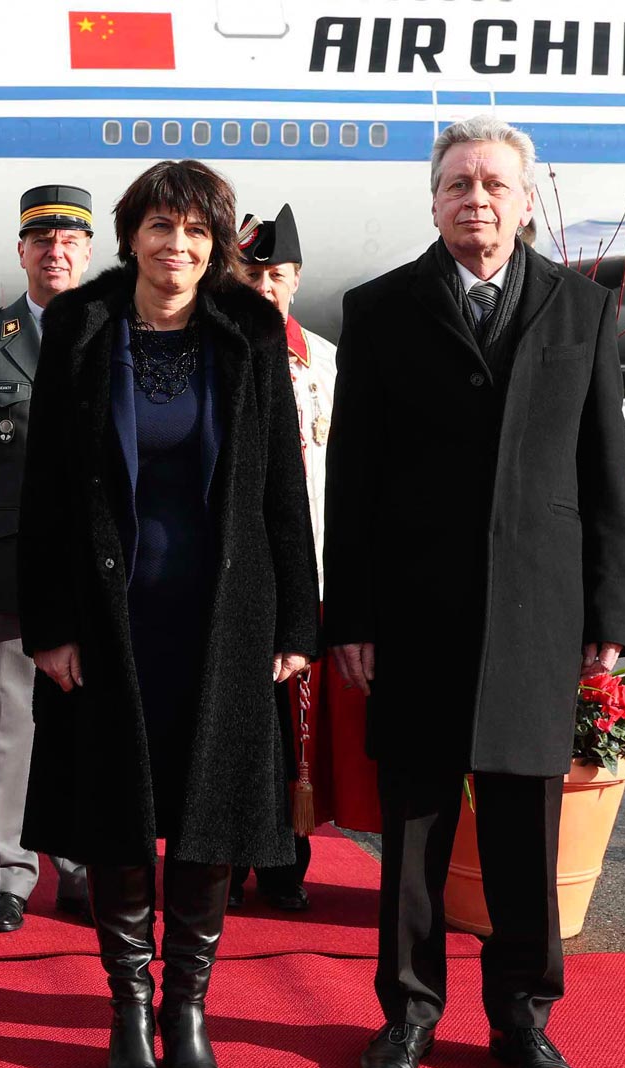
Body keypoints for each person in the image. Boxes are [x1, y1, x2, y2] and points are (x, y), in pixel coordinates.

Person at [323, 115, 625, 1068]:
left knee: (522, 830)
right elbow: (353, 478)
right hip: (414, 611)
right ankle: (409, 1014)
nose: (477, 199)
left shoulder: (582, 310)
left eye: (495, 184)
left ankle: (523, 1017)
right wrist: (353, 616)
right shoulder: (380, 309)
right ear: (434, 201)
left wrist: (608, 614)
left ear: (525, 200)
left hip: (539, 610)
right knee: (414, 832)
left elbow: (604, 474)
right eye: (458, 183)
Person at [19, 159, 319, 1068]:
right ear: (131, 236)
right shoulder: (80, 326)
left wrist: (296, 623)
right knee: (117, 814)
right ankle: (129, 1005)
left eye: (195, 231)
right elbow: (44, 491)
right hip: (110, 619)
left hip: (225, 616)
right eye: (160, 227)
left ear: (217, 242)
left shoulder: (251, 330)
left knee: (207, 815)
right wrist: (49, 624)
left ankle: (188, 1006)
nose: (176, 246)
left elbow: (281, 485)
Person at [0, 184, 96, 933]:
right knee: (11, 726)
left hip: (99, 574)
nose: (55, 253)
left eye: (69, 241)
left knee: (90, 726)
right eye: (43, 241)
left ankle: (81, 868)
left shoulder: (121, 333)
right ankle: (9, 873)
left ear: (89, 252)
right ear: (21, 251)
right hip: (9, 568)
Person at [228, 206, 382, 913]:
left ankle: (287, 863)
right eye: (252, 274)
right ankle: (228, 857)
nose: (265, 287)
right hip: (235, 574)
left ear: (295, 280)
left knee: (300, 733)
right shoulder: (209, 351)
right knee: (238, 725)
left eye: (277, 275)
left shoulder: (325, 360)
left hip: (308, 569)